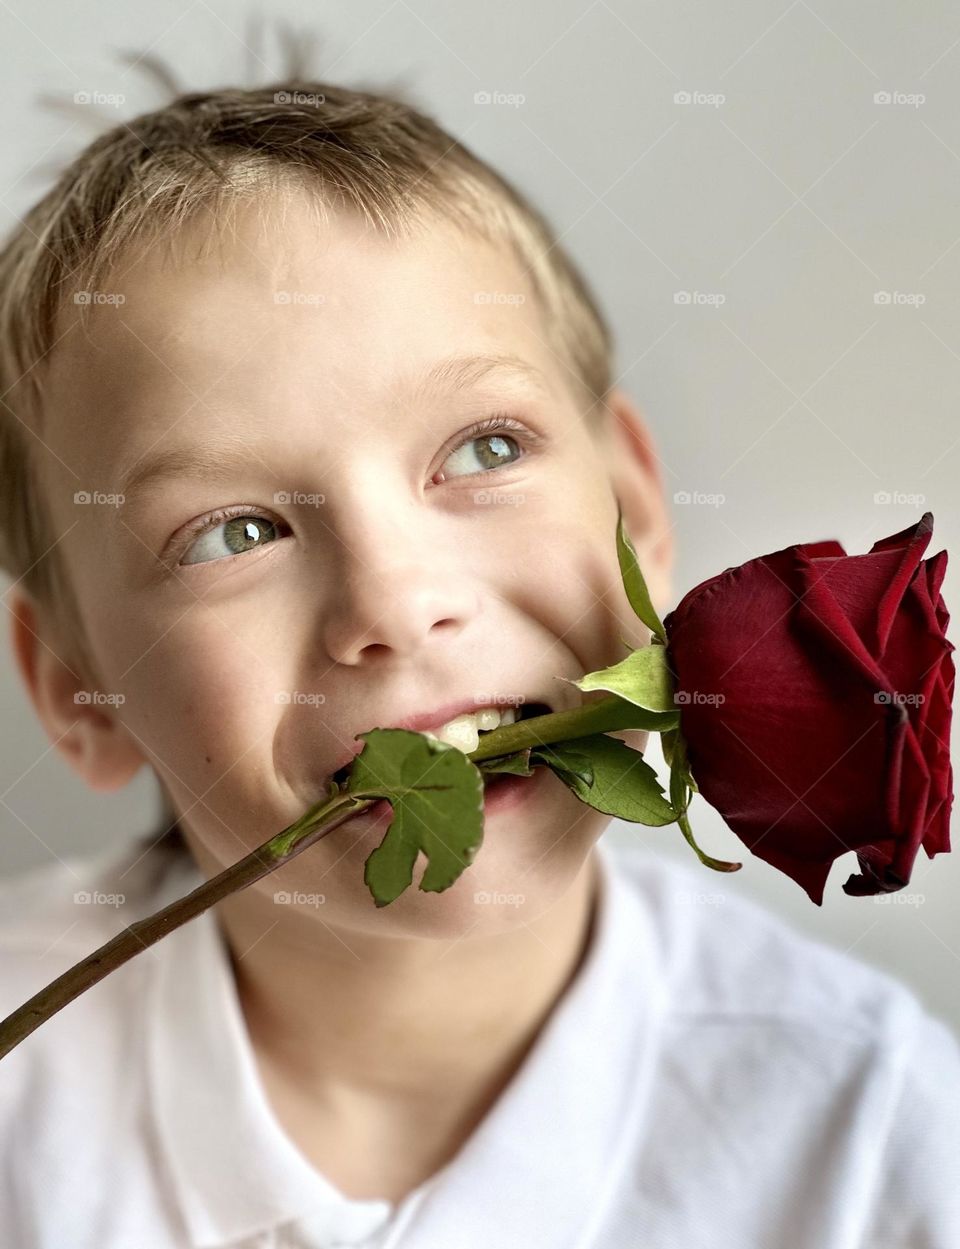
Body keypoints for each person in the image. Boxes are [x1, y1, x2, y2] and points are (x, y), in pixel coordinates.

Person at [0, 59, 958, 1249]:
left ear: (637, 509)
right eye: (235, 532)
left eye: (484, 449)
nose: (397, 603)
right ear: (73, 692)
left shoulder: (880, 1145)